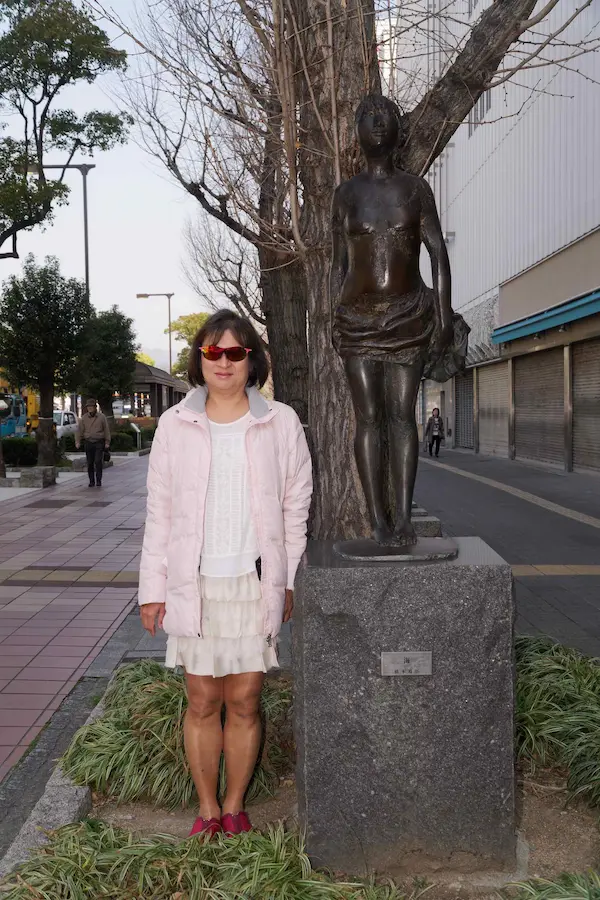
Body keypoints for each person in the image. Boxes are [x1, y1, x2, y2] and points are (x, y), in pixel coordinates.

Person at [138, 309, 312, 840]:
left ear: (251, 360)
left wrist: (285, 581)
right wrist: (152, 589)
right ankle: (207, 808)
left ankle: (235, 805)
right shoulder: (175, 424)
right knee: (201, 701)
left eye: (236, 352)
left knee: (244, 701)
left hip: (251, 584)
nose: (224, 362)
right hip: (196, 586)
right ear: (199, 359)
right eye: (213, 352)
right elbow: (159, 510)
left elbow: (295, 503)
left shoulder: (279, 421)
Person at [330, 94, 466, 547]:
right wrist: (332, 314)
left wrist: (443, 317)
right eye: (368, 117)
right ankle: (377, 519)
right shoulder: (345, 195)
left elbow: (438, 255)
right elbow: (338, 265)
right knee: (368, 418)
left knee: (403, 416)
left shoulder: (415, 189)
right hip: (356, 319)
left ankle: (403, 516)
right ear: (357, 130)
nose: (378, 124)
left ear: (397, 129)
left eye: (385, 117)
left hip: (408, 316)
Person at [75, 399, 110, 488]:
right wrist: (78, 441)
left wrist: (107, 441)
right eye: (88, 407)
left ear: (95, 407)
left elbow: (106, 429)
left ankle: (98, 480)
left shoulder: (101, 417)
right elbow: (79, 430)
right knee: (90, 462)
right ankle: (91, 481)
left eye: (91, 407)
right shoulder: (84, 418)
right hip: (88, 442)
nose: (90, 408)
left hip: (99, 441)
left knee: (98, 461)